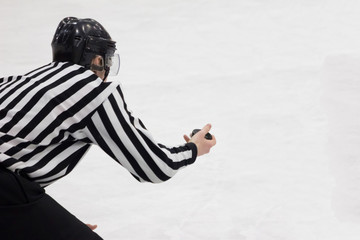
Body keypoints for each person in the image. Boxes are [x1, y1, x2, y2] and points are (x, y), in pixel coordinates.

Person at [0, 17, 216, 240]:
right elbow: (155, 166)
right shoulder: (91, 90)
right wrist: (193, 149)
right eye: (108, 59)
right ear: (97, 59)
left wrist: (49, 221)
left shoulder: (15, 81)